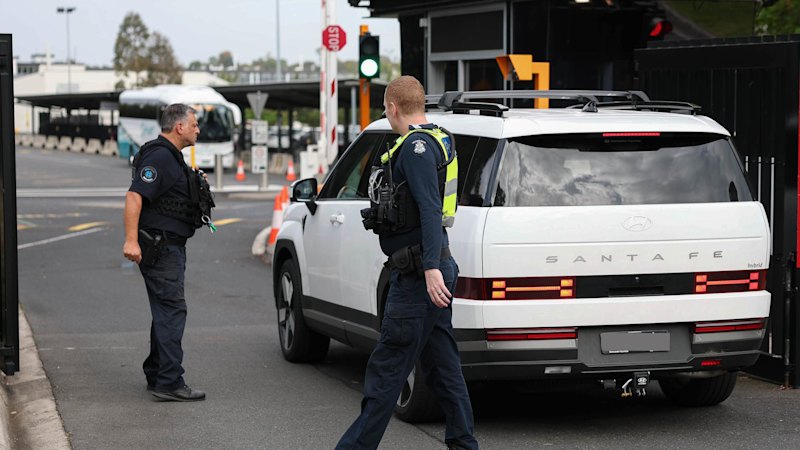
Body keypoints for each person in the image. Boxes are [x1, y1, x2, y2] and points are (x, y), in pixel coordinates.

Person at [337, 76, 479, 450]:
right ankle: (464, 444)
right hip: (430, 267)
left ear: (393, 108)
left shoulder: (416, 147)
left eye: (386, 108)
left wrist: (430, 267)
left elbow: (431, 209)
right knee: (444, 368)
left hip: (420, 275)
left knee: (387, 369)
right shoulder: (438, 137)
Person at [123, 103, 208, 402]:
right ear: (179, 127)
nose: (198, 129)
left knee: (165, 311)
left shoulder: (171, 157)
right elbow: (135, 196)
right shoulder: (160, 156)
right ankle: (170, 381)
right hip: (161, 247)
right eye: (194, 124)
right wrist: (130, 241)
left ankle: (157, 373)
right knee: (172, 311)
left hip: (167, 245)